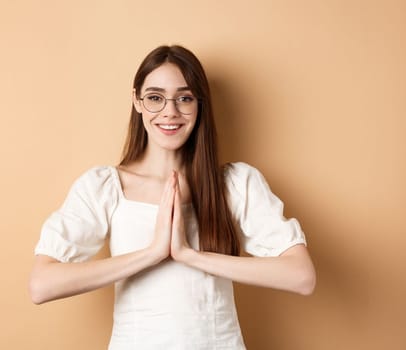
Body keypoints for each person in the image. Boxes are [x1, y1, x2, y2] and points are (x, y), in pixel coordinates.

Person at [29, 45, 316, 349]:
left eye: (184, 98)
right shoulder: (105, 186)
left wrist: (190, 255)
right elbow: (41, 285)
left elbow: (301, 277)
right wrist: (151, 253)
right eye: (155, 98)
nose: (170, 112)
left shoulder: (235, 184)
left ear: (199, 105)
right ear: (137, 101)